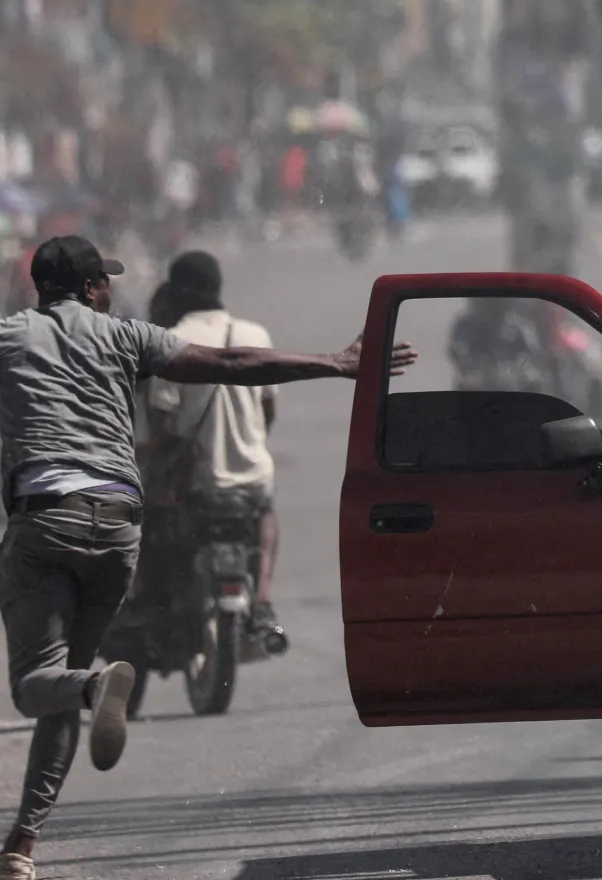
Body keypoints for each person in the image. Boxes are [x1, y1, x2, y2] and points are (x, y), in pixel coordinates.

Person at [0, 235, 414, 879]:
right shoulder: (123, 337)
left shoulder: (11, 338)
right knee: (68, 680)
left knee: (37, 685)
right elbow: (233, 363)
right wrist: (334, 362)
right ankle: (22, 848)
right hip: (116, 527)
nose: (110, 292)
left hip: (45, 522)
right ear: (89, 289)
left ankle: (89, 693)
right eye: (104, 282)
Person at [142, 252, 287, 643]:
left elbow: (163, 423)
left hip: (199, 482)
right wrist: (250, 442)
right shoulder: (255, 336)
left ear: (176, 291)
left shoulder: (170, 340)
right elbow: (267, 410)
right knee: (267, 511)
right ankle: (263, 599)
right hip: (253, 476)